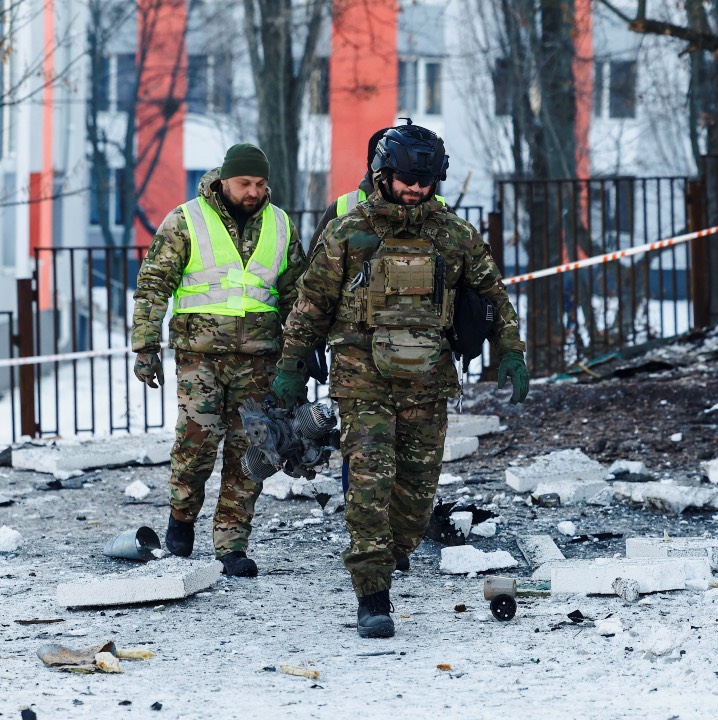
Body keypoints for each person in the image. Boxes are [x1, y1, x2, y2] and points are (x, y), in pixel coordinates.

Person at [271, 124, 530, 637]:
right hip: (361, 376)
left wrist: (511, 350)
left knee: (414, 495)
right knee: (369, 486)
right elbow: (310, 304)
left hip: (427, 379)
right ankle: (372, 596)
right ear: (383, 175)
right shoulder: (349, 231)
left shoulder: (452, 234)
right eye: (407, 180)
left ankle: (393, 554)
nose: (416, 190)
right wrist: (291, 368)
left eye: (426, 181)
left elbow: (493, 294)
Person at [130, 143, 307, 578]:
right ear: (224, 179)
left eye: (261, 183)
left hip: (261, 358)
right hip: (200, 356)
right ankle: (182, 515)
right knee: (196, 443)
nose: (253, 191)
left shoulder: (281, 224)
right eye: (245, 183)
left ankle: (232, 543)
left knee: (252, 450)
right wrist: (145, 346)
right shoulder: (185, 220)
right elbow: (153, 284)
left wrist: (301, 352)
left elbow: (298, 294)